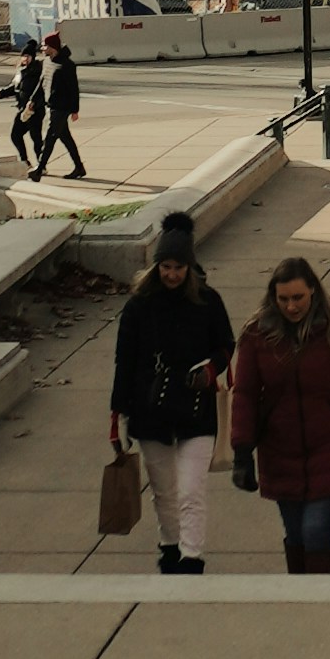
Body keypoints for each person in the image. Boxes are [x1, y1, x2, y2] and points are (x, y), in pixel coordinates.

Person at [229, 255, 330, 575]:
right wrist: (242, 452)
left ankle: (323, 604)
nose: (291, 307)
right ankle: (300, 600)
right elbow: (244, 394)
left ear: (313, 291)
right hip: (280, 451)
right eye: (283, 299)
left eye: (298, 297)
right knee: (296, 534)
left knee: (316, 530)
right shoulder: (257, 335)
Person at [110, 211, 236, 575]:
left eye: (178, 267)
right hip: (150, 412)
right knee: (164, 491)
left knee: (190, 490)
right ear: (156, 266)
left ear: (189, 267)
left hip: (197, 411)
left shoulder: (208, 302)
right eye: (165, 266)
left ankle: (192, 557)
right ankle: (170, 547)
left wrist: (211, 368)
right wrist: (116, 414)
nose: (171, 274)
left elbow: (226, 345)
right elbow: (125, 362)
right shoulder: (138, 307)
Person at [33, 35, 85, 181]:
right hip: (51, 105)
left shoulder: (67, 65)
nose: (42, 49)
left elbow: (74, 89)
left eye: (45, 46)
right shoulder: (47, 62)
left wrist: (75, 110)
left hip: (61, 108)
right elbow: (42, 82)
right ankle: (79, 167)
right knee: (66, 138)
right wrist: (33, 100)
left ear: (53, 47)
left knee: (50, 138)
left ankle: (39, 169)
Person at [6, 40, 46, 168]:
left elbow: (41, 91)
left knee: (36, 138)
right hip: (23, 109)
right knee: (15, 134)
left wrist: (34, 104)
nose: (24, 59)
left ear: (32, 57)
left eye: (27, 56)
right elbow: (15, 87)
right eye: (23, 56)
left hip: (34, 110)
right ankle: (24, 160)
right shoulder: (21, 71)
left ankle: (41, 165)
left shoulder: (37, 71)